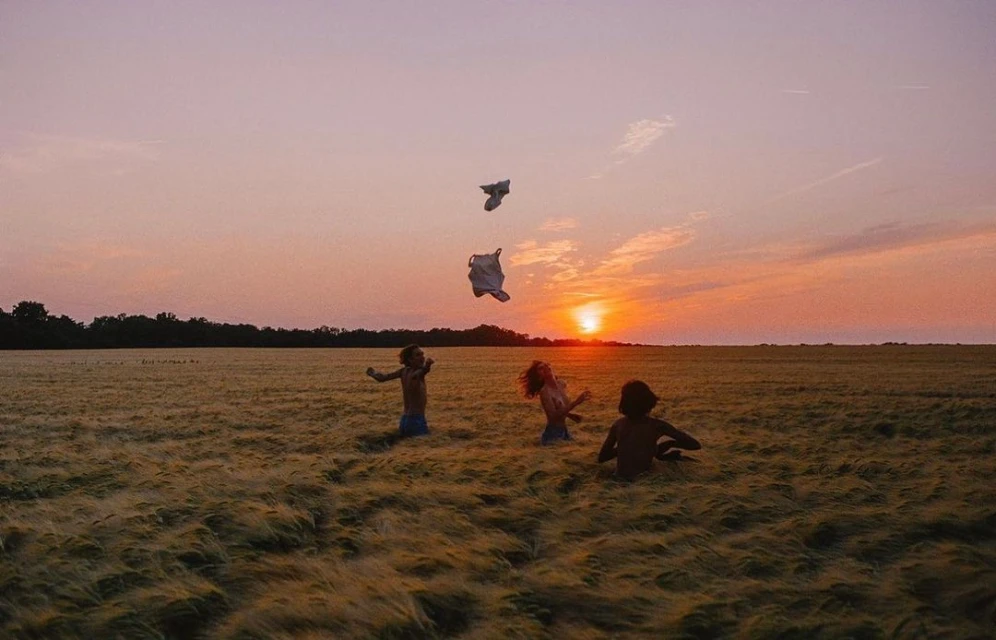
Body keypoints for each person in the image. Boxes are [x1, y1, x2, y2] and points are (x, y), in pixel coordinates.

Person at [597, 380, 701, 480]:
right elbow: (695, 445)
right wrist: (670, 443)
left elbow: (602, 457)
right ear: (649, 401)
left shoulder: (618, 424)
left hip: (617, 481)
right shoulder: (657, 425)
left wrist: (625, 448)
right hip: (643, 482)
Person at [366, 344, 434, 437]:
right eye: (418, 355)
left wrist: (373, 373)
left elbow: (382, 378)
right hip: (416, 421)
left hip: (405, 420)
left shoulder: (403, 372)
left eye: (422, 354)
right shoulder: (418, 373)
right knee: (424, 448)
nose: (422, 357)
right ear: (410, 359)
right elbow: (423, 371)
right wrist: (428, 365)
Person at [518, 360, 591, 445]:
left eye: (546, 365)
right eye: (541, 368)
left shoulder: (561, 384)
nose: (545, 368)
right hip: (553, 433)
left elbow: (558, 407)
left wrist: (570, 415)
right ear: (539, 377)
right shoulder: (545, 392)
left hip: (565, 430)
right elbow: (552, 416)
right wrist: (576, 402)